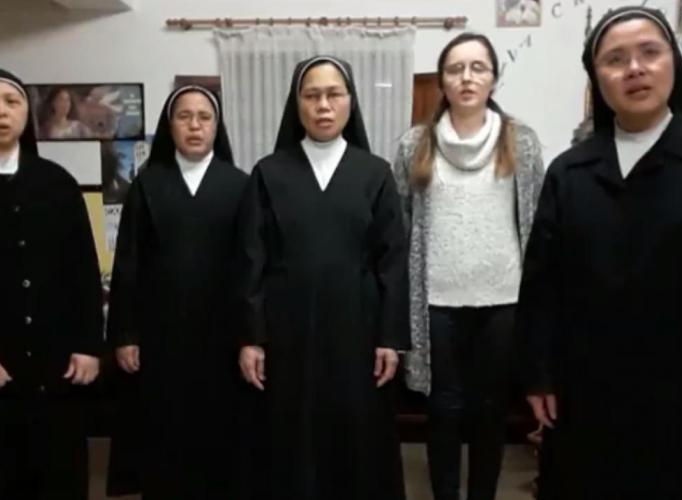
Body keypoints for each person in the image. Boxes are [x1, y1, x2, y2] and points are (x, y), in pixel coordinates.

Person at [517, 7, 682, 500]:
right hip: (585, 396)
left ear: (673, 62)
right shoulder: (569, 172)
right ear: (597, 79)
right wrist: (538, 375)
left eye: (649, 53)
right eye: (615, 59)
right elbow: (542, 285)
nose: (634, 68)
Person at [239, 55, 409, 500]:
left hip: (358, 330)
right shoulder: (268, 173)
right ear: (296, 104)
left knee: (357, 438)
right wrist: (252, 338)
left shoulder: (375, 173)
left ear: (351, 101)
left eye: (334, 94)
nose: (323, 105)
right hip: (287, 332)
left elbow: (393, 261)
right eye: (312, 95)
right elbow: (252, 260)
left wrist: (390, 338)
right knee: (291, 438)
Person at [393, 32, 545, 500]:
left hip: (503, 300)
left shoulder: (521, 142)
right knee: (443, 408)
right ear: (442, 80)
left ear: (494, 78)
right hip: (436, 301)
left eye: (478, 67)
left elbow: (536, 221)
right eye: (456, 68)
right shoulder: (414, 144)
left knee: (490, 410)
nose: (467, 77)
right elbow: (400, 225)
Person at [106, 85, 249, 499]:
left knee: (221, 438)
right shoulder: (147, 185)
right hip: (160, 337)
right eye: (184, 116)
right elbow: (128, 265)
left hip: (222, 338)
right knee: (164, 435)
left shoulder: (240, 185)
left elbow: (251, 265)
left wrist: (251, 334)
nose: (195, 126)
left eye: (204, 117)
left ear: (217, 126)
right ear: (170, 126)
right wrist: (126, 334)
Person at [0, 68, 103, 499]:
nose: (2, 112)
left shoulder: (57, 183)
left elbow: (83, 271)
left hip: (57, 364)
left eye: (12, 102)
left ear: (28, 114)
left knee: (59, 473)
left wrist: (88, 345)